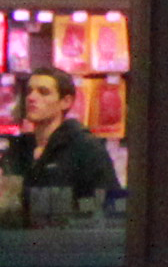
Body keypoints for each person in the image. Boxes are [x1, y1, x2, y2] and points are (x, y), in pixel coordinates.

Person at [7, 67, 116, 216]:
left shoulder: (85, 148)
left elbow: (108, 204)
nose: (32, 98)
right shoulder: (18, 149)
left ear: (66, 101)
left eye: (43, 92)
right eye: (29, 91)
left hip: (69, 236)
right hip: (19, 238)